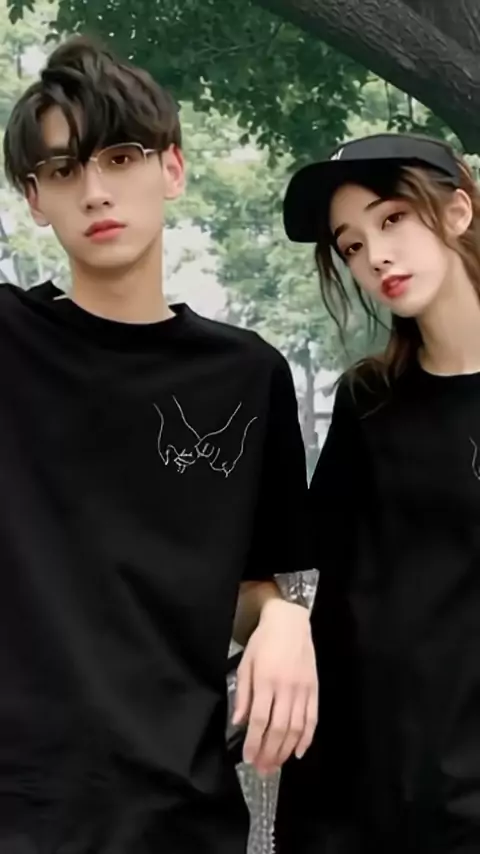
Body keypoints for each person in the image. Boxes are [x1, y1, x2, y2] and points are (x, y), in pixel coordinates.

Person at [0, 36, 318, 854]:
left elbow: (250, 587)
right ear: (34, 198)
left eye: (120, 157)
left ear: (171, 168)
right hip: (24, 809)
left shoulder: (248, 375)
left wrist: (283, 617)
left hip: (183, 814)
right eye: (63, 170)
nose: (95, 191)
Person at [275, 132, 480, 854]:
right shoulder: (368, 403)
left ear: (457, 211)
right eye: (353, 246)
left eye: (392, 219)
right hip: (366, 799)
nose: (376, 257)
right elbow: (324, 594)